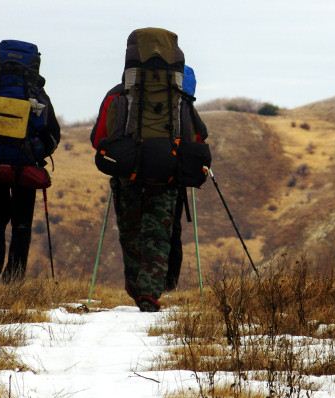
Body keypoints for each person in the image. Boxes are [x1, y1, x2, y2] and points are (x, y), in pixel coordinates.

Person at [91, 28, 209, 312]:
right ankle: (150, 293)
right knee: (158, 234)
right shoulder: (179, 98)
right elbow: (197, 136)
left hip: (127, 172)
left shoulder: (118, 95)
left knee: (130, 231)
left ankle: (136, 287)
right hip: (166, 174)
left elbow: (98, 138)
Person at [0, 40, 60, 284]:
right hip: (26, 168)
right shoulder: (38, 96)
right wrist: (37, 152)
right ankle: (14, 275)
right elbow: (53, 135)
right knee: (22, 223)